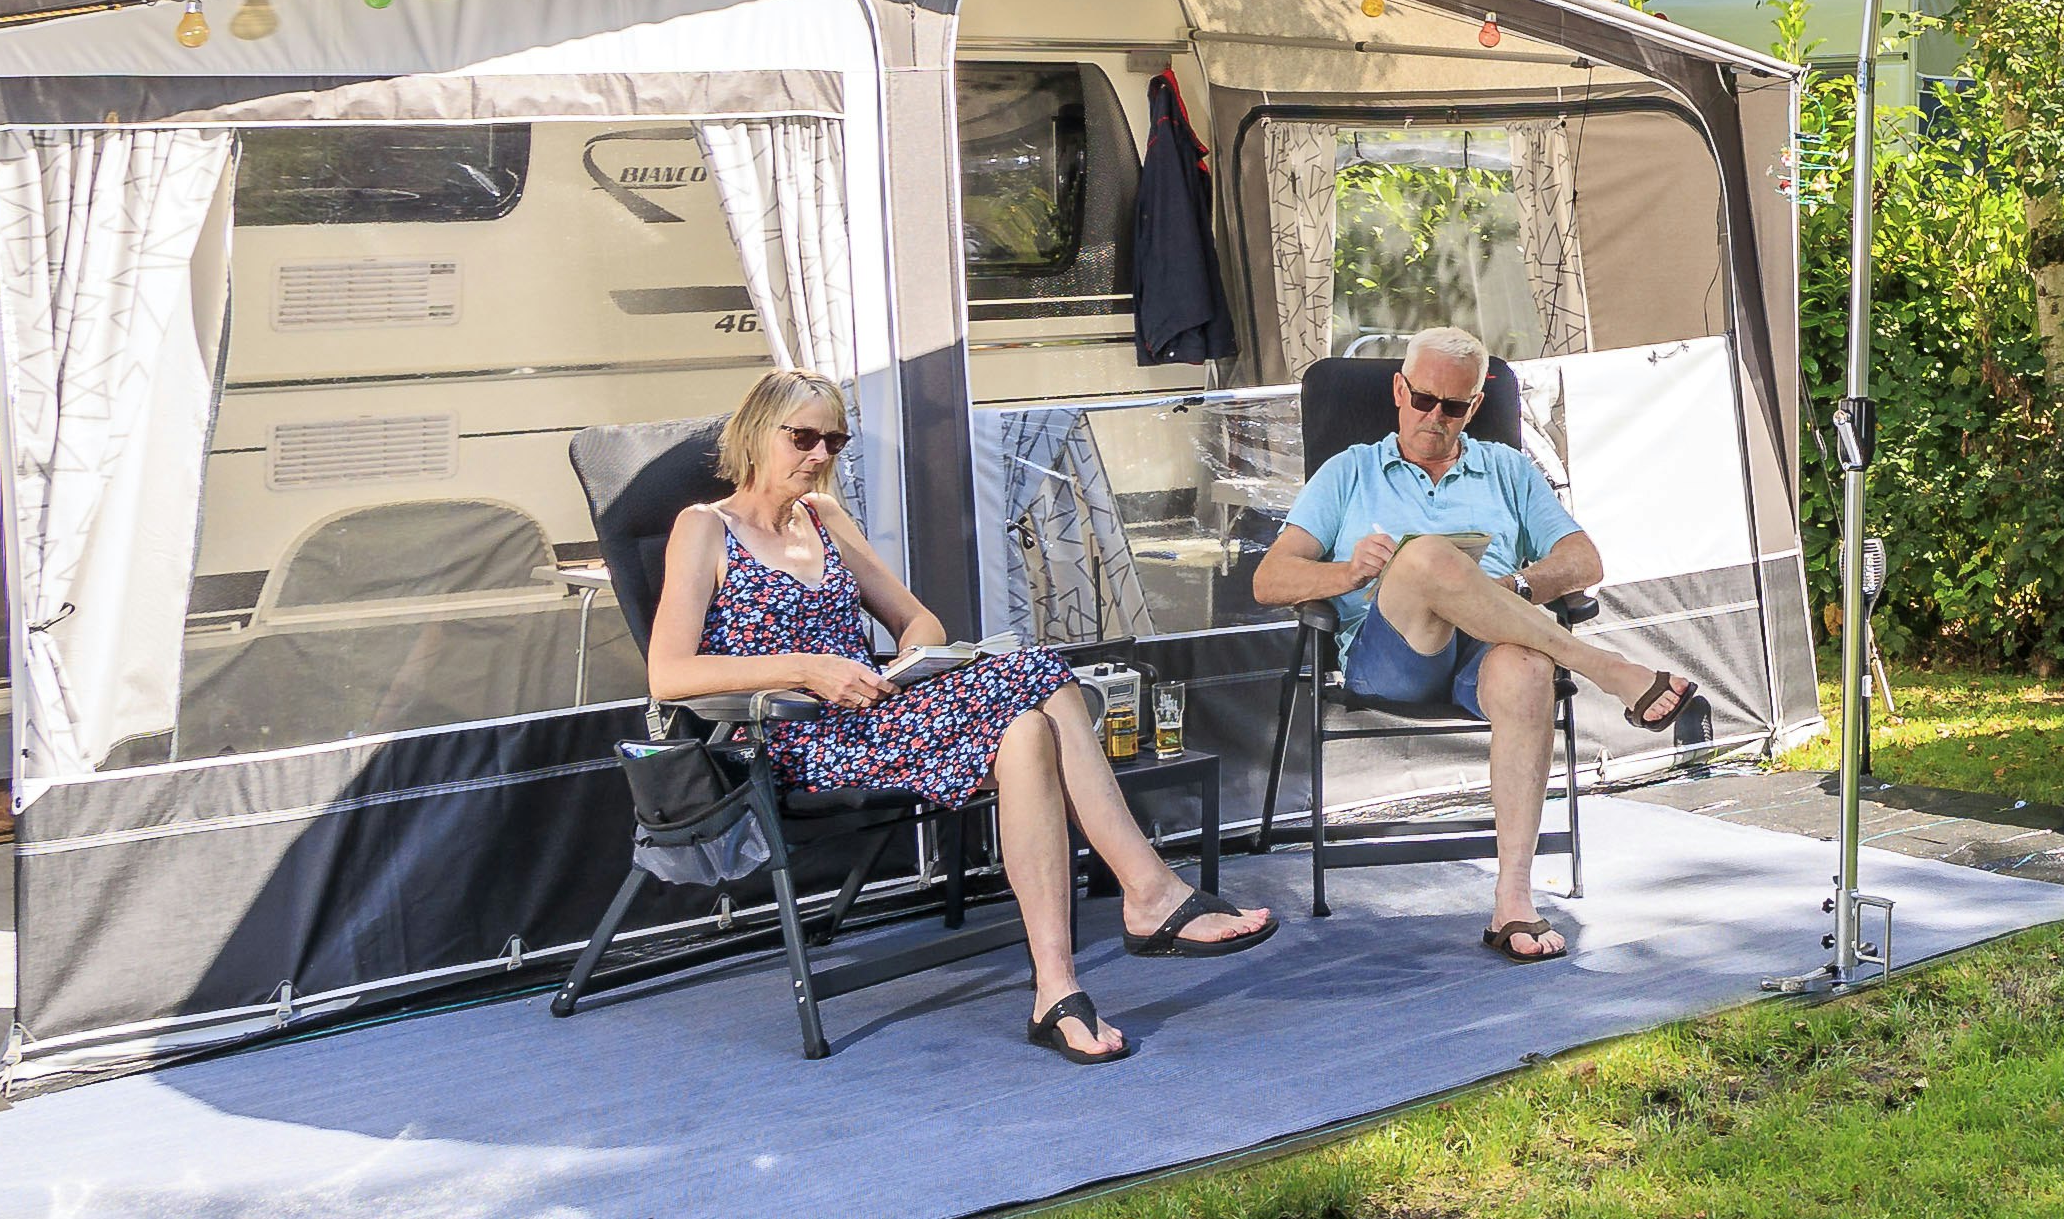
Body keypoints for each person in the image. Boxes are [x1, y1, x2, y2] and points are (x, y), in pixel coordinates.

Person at [653, 369, 1269, 1065]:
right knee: (1035, 672)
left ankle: (1056, 990)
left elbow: (918, 619)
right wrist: (806, 668)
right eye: (803, 437)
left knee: (1027, 726)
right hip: (792, 735)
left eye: (833, 439)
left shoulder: (825, 519)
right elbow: (669, 673)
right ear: (755, 434)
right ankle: (1149, 893)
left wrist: (909, 665)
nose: (820, 454)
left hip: (877, 717)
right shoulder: (706, 529)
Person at [1252, 326, 1713, 961]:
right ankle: (1607, 668)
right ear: (1398, 389)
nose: (1435, 419)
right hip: (1394, 656)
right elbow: (1269, 579)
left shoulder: (1506, 469)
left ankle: (1514, 901)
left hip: (1487, 653)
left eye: (1453, 407)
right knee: (1427, 559)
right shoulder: (1349, 471)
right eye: (1423, 401)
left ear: (1474, 405)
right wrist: (1348, 573)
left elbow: (1583, 559)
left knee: (1527, 668)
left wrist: (1518, 584)